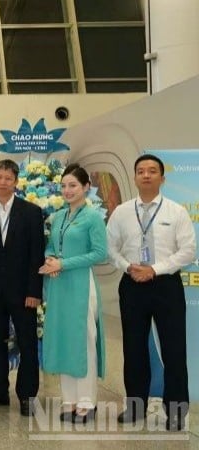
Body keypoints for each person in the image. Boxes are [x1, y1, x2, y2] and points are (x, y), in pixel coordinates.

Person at [107, 154, 196, 431]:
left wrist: (154, 269)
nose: (146, 175)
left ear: (162, 178)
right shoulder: (121, 211)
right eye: (141, 171)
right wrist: (127, 266)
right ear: (134, 177)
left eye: (152, 171)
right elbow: (110, 248)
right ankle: (136, 405)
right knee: (133, 348)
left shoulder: (176, 211)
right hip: (132, 283)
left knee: (173, 349)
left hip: (165, 285)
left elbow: (189, 251)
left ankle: (176, 410)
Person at [0, 159, 44, 417]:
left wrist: (35, 292)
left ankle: (27, 396)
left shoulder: (32, 212)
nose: (3, 182)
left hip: (24, 292)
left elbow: (37, 256)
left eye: (8, 178)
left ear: (16, 181)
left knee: (27, 344)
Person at [38, 163, 107, 423]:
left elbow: (100, 254)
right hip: (58, 285)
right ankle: (69, 399)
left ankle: (87, 401)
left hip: (81, 284)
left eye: (73, 185)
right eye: (64, 186)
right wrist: (50, 260)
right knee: (63, 339)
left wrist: (64, 264)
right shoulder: (59, 216)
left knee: (84, 340)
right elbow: (51, 246)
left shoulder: (93, 218)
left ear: (86, 187)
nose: (67, 190)